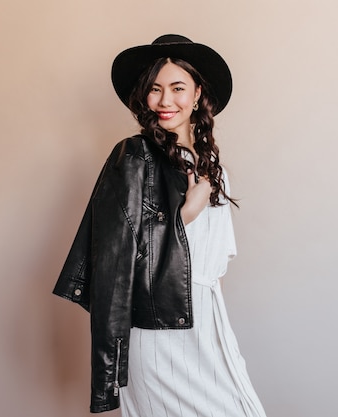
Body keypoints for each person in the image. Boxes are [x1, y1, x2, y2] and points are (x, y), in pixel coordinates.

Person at [53, 34, 266, 417]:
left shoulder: (212, 168)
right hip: (158, 329)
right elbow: (116, 260)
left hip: (206, 320)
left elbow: (209, 270)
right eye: (155, 89)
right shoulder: (134, 157)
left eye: (177, 87)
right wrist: (186, 213)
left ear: (198, 93)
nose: (165, 101)